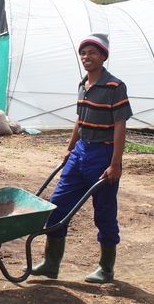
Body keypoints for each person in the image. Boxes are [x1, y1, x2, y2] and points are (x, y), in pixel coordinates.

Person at [31, 33, 133, 283]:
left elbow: (120, 125)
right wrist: (69, 148)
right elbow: (80, 119)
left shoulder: (114, 87)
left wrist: (115, 163)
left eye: (93, 53)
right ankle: (51, 264)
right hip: (80, 153)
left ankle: (106, 269)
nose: (87, 57)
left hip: (103, 154)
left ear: (103, 56)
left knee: (104, 213)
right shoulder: (82, 84)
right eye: (84, 53)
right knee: (56, 207)